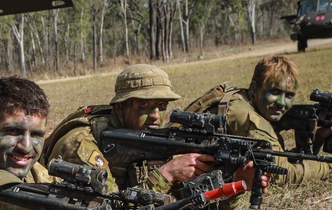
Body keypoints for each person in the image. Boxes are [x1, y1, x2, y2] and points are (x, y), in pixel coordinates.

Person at [182, 55, 332, 210]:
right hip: (185, 193)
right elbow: (284, 175)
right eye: (274, 92)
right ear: (255, 89)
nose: (282, 103)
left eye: (289, 96)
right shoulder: (248, 119)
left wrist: (316, 140)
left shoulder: (239, 97)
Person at [42, 64, 219, 196]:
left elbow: (184, 206)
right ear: (119, 107)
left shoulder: (141, 135)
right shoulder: (81, 144)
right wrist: (167, 174)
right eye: (145, 105)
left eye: (162, 106)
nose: (156, 116)